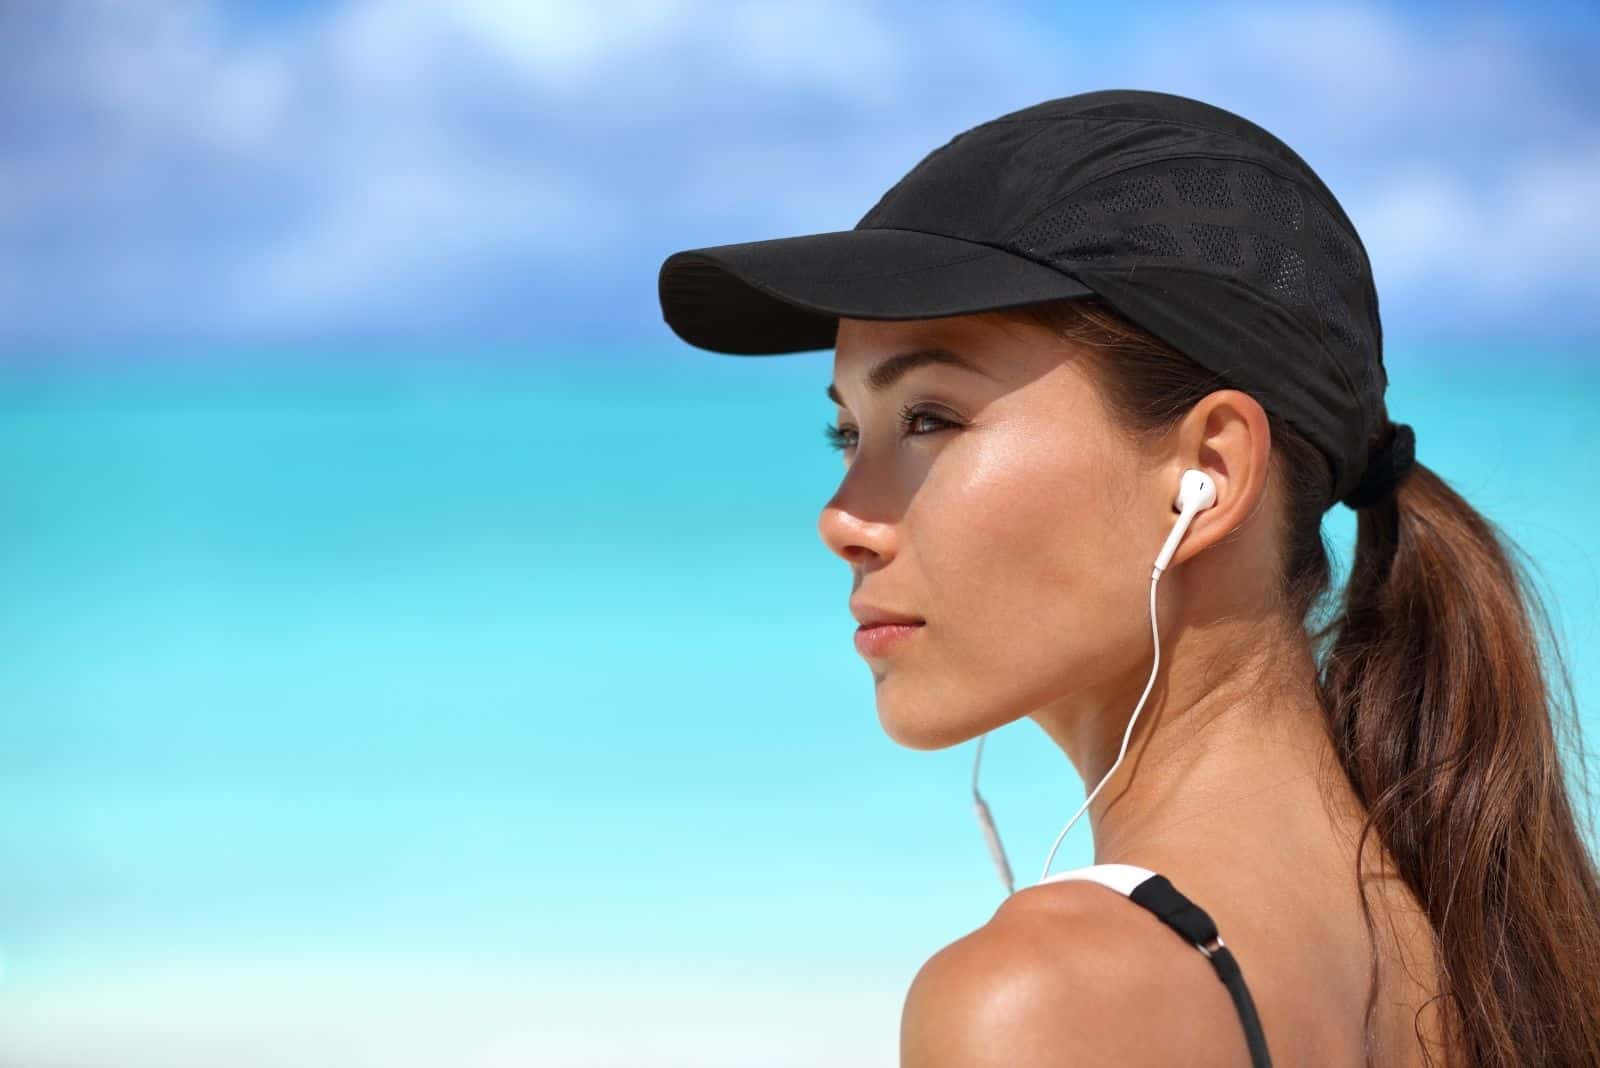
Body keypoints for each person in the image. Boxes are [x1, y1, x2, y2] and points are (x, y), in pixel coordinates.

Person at [656, 89, 1600, 1067]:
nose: (840, 520)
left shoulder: (1041, 1003)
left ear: (1211, 472)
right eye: (845, 432)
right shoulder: (1498, 952)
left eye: (929, 417)